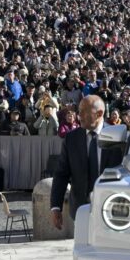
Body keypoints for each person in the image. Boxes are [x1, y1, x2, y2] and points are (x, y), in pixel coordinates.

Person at [50, 95, 124, 230]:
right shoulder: (71, 138)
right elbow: (61, 174)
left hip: (112, 210)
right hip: (80, 209)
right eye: (79, 111)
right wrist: (56, 207)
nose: (79, 116)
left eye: (84, 112)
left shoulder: (118, 138)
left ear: (99, 113)